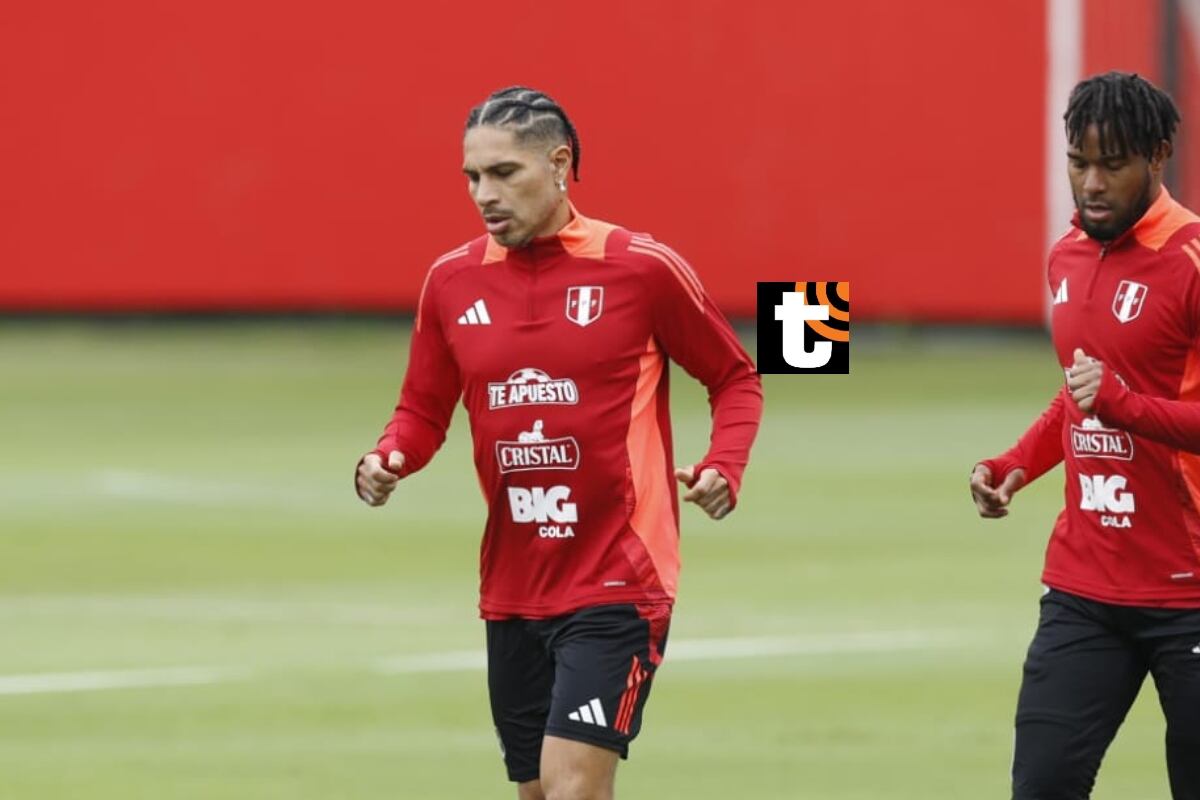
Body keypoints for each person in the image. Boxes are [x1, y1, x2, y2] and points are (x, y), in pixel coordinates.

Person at [355, 86, 762, 800]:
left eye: (505, 173)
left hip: (619, 581)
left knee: (574, 788)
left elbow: (735, 377)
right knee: (540, 792)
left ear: (559, 163)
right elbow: (422, 408)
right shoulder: (449, 282)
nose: (485, 194)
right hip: (512, 587)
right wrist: (389, 456)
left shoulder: (642, 267)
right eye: (472, 177)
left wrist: (724, 465)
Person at [970, 71, 1200, 799]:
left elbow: (1116, 398)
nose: (1092, 183)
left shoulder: (1192, 262)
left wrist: (1126, 406)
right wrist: (1016, 464)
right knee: (1042, 786)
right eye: (1079, 162)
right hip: (1085, 586)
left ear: (1159, 154)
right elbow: (1080, 396)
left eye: (1113, 162)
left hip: (1190, 589)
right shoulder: (1067, 255)